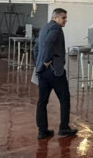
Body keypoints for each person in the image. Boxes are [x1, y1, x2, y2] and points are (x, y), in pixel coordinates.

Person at [33, 8, 78, 139]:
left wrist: (39, 64)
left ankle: (42, 131)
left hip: (42, 72)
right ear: (56, 18)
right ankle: (64, 128)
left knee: (42, 101)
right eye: (63, 18)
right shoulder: (56, 29)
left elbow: (36, 48)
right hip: (54, 72)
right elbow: (48, 43)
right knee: (65, 99)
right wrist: (46, 61)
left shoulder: (44, 28)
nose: (65, 20)